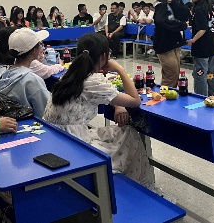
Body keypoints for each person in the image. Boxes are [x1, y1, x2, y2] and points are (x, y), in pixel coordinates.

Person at [43, 33, 154, 189]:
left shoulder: (70, 75)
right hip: (75, 144)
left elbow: (98, 92)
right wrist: (120, 69)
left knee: (117, 133)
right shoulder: (94, 80)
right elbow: (135, 101)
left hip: (56, 137)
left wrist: (118, 104)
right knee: (129, 133)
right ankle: (139, 188)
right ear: (104, 56)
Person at [0, 28, 51, 117]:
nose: (41, 47)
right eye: (39, 44)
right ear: (34, 50)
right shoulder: (32, 81)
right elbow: (46, 114)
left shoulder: (3, 75)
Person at [153, 0, 190, 87]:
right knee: (171, 75)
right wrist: (181, 25)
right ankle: (164, 96)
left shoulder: (174, 2)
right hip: (165, 44)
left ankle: (170, 95)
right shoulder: (161, 5)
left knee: (175, 73)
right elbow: (161, 21)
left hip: (175, 43)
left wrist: (175, 2)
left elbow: (185, 14)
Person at [186, 0, 214, 96]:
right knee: (211, 72)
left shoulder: (199, 9)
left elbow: (202, 29)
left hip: (202, 47)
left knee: (200, 73)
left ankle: (200, 98)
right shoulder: (210, 8)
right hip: (212, 45)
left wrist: (193, 39)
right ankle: (213, 95)